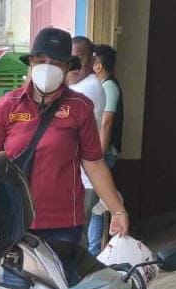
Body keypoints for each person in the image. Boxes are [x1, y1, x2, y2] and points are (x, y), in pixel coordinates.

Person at [0, 27, 127, 289]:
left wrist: (117, 209)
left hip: (63, 225)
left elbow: (93, 163)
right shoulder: (7, 106)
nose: (47, 67)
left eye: (56, 62)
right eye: (41, 61)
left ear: (68, 66)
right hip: (15, 225)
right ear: (31, 62)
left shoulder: (79, 108)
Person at [66, 35, 106, 250]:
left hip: (84, 180)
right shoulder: (80, 86)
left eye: (78, 59)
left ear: (91, 61)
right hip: (77, 178)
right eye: (68, 59)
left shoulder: (87, 88)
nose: (73, 65)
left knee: (74, 240)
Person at [88, 44, 124, 256]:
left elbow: (107, 122)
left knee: (96, 206)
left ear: (99, 65)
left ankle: (92, 252)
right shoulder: (100, 87)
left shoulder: (109, 87)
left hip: (103, 155)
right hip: (98, 155)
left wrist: (97, 155)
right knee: (95, 205)